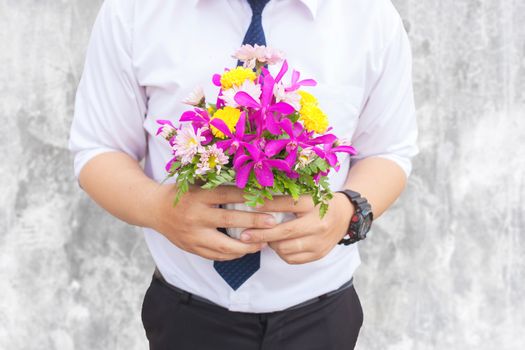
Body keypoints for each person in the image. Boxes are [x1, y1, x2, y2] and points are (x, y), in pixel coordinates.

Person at [68, 0, 419, 348]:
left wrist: (344, 213)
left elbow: (387, 152)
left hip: (321, 316)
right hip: (187, 318)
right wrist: (159, 209)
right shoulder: (134, 11)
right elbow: (98, 148)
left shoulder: (370, 16)